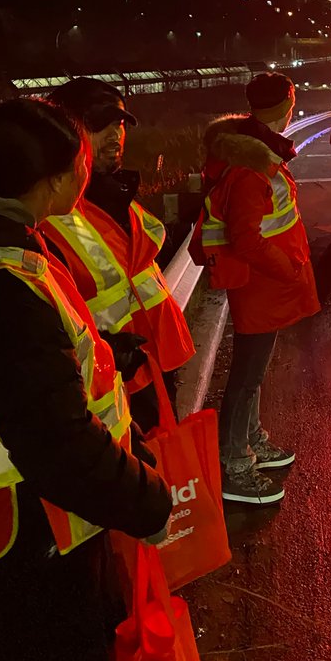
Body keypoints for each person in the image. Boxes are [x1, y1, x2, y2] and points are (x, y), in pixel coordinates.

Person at [0, 98, 171, 661]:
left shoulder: (15, 248)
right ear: (54, 180)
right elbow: (56, 442)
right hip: (28, 537)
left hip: (38, 525)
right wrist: (146, 501)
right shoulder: (7, 285)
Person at [192, 71, 320, 505]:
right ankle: (234, 463)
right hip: (262, 285)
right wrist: (287, 268)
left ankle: (250, 440)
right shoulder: (251, 166)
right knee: (246, 376)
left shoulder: (254, 149)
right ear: (288, 108)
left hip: (266, 284)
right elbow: (246, 239)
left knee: (254, 371)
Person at [43, 77, 195, 430]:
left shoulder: (116, 195)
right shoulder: (52, 214)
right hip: (104, 381)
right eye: (100, 125)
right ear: (63, 133)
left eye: (120, 124)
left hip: (151, 361)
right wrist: (107, 350)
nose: (115, 135)